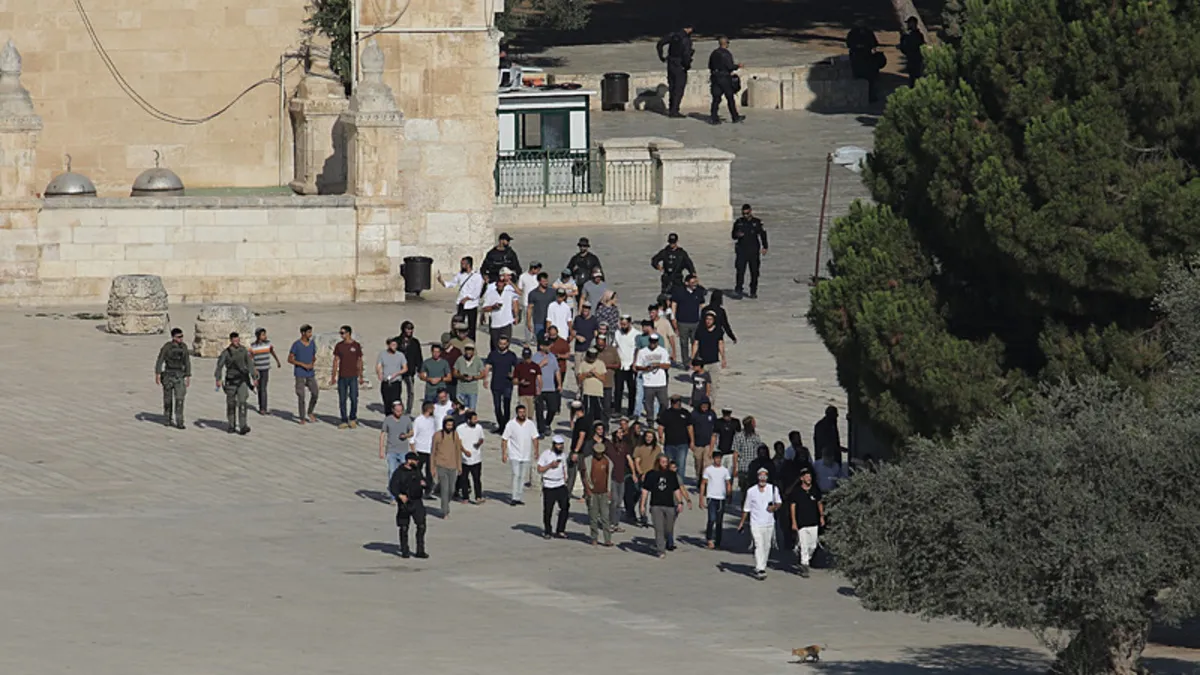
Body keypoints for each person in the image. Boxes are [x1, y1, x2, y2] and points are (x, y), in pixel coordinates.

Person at [640, 454, 690, 557]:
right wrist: (642, 505)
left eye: (665, 462)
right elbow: (645, 491)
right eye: (662, 461)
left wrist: (680, 502)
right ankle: (660, 550)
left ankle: (664, 541)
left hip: (670, 505)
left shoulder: (671, 475)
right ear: (658, 462)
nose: (664, 463)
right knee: (659, 528)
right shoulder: (651, 474)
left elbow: (676, 490)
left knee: (668, 529)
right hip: (656, 505)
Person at [738, 467, 782, 579]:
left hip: (769, 523)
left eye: (764, 476)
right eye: (760, 476)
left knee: (766, 546)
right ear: (757, 477)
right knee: (758, 544)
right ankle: (759, 568)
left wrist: (774, 507)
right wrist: (741, 523)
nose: (762, 478)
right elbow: (746, 508)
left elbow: (779, 503)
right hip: (756, 523)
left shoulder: (773, 489)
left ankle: (762, 565)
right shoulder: (751, 491)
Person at [214, 332, 258, 435]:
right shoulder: (226, 353)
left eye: (238, 340)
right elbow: (219, 366)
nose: (236, 342)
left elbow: (250, 364)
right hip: (231, 381)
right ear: (231, 341)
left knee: (242, 403)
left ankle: (243, 426)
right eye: (234, 341)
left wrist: (254, 377)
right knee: (231, 404)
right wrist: (218, 379)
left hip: (242, 380)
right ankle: (231, 425)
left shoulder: (243, 351)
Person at [388, 452, 429, 559]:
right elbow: (393, 486)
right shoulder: (399, 472)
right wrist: (400, 496)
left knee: (421, 526)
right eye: (415, 460)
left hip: (417, 501)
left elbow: (424, 481)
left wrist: (424, 484)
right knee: (404, 527)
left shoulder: (417, 471)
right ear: (408, 460)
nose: (416, 462)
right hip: (405, 503)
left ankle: (420, 550)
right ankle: (404, 550)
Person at [579, 422, 615, 546]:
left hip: (604, 491)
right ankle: (594, 537)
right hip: (593, 492)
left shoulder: (608, 461)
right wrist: (587, 489)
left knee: (605, 517)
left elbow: (609, 477)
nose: (599, 455)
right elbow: (584, 476)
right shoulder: (588, 460)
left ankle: (607, 539)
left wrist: (609, 490)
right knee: (593, 517)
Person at [501, 404, 540, 505]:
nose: (522, 414)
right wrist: (504, 453)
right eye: (520, 412)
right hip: (514, 454)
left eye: (524, 412)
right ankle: (514, 497)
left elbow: (535, 438)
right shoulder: (511, 424)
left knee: (522, 477)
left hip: (526, 454)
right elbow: (504, 439)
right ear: (517, 413)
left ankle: (519, 496)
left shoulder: (530, 424)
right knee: (516, 475)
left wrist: (536, 451)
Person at [790, 466, 824, 577]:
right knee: (804, 545)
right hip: (801, 523)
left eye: (810, 476)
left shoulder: (815, 490)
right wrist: (794, 522)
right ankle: (804, 564)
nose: (809, 478)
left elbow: (819, 503)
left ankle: (805, 557)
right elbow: (793, 507)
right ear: (801, 478)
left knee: (813, 546)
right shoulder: (797, 492)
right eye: (806, 476)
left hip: (813, 522)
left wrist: (821, 516)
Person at [655, 22, 695, 118]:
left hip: (671, 63)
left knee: (672, 85)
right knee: (678, 87)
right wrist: (687, 65)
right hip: (679, 64)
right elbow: (686, 54)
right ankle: (674, 110)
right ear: (689, 29)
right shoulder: (686, 39)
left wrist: (662, 57)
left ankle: (672, 108)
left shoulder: (673, 35)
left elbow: (660, 44)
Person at [438, 256, 484, 339]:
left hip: (471, 305)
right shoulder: (460, 275)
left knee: (471, 326)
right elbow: (452, 283)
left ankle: (471, 343)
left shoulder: (477, 276)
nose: (461, 265)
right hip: (461, 304)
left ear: (468, 265)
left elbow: (477, 292)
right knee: (459, 324)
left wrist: (467, 298)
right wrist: (442, 281)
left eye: (463, 264)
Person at [154, 327, 191, 429]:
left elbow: (187, 362)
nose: (181, 339)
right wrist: (157, 374)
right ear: (173, 337)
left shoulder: (184, 347)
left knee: (180, 399)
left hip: (179, 376)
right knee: (167, 400)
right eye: (179, 337)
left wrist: (188, 376)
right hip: (168, 375)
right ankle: (167, 419)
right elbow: (160, 359)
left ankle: (180, 421)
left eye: (182, 336)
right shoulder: (167, 347)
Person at [731, 203, 768, 298]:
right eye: (743, 214)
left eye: (747, 213)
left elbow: (763, 235)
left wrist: (765, 247)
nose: (745, 216)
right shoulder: (739, 222)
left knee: (754, 272)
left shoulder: (757, 222)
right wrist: (737, 235)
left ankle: (753, 291)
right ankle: (738, 289)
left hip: (753, 251)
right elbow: (733, 236)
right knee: (740, 271)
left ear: (751, 212)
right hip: (742, 251)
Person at [330, 325, 364, 429]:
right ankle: (344, 419)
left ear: (349, 333)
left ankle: (353, 418)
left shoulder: (356, 345)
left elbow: (359, 361)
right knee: (342, 399)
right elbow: (336, 361)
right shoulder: (339, 346)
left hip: (353, 376)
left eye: (343, 333)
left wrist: (361, 376)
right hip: (342, 376)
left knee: (354, 398)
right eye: (340, 333)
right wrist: (333, 376)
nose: (341, 335)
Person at [380, 400, 414, 504]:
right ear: (393, 410)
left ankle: (403, 493)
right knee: (392, 472)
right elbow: (383, 434)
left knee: (404, 474)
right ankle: (393, 496)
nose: (399, 413)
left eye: (401, 411)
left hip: (403, 450)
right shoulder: (388, 420)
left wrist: (406, 436)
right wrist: (381, 449)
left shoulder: (406, 419)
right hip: (391, 450)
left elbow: (412, 432)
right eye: (397, 411)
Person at [430, 416, 465, 517]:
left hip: (453, 466)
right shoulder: (437, 435)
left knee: (451, 490)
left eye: (451, 425)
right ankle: (445, 511)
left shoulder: (455, 435)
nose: (449, 427)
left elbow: (458, 451)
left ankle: (445, 502)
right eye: (448, 425)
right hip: (441, 466)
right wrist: (432, 467)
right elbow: (433, 452)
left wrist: (459, 466)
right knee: (445, 489)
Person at [537, 435, 570, 538]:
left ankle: (560, 529)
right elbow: (539, 469)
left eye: (561, 444)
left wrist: (565, 478)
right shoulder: (546, 455)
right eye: (558, 444)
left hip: (560, 484)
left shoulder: (563, 455)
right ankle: (547, 530)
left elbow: (564, 467)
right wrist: (550, 466)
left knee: (565, 506)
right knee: (548, 510)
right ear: (553, 445)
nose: (560, 446)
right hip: (549, 485)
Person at [484, 335, 519, 431]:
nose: (502, 345)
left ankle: (505, 427)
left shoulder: (511, 355)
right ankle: (501, 425)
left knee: (507, 406)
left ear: (507, 344)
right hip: (495, 384)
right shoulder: (493, 354)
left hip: (507, 384)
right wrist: (485, 379)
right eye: (500, 343)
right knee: (497, 407)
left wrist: (513, 375)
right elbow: (487, 367)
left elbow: (517, 368)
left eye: (504, 344)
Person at [692, 311, 727, 403]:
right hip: (702, 362)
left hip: (714, 362)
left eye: (710, 319)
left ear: (714, 320)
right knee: (700, 384)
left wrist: (723, 358)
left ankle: (711, 403)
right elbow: (696, 344)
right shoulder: (700, 330)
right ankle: (699, 402)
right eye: (707, 319)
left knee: (713, 384)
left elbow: (721, 344)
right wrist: (693, 358)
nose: (708, 321)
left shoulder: (718, 331)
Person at [707, 36, 744, 125]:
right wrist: (738, 66)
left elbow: (710, 65)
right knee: (730, 98)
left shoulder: (714, 53)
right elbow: (730, 66)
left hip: (715, 77)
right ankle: (735, 117)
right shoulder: (726, 54)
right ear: (726, 43)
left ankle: (714, 117)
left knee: (716, 99)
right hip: (724, 78)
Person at [671, 274, 707, 364]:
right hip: (682, 322)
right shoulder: (679, 292)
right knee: (684, 343)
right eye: (692, 282)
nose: (695, 284)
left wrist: (705, 317)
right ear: (686, 283)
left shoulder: (699, 291)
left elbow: (702, 305)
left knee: (696, 342)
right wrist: (673, 318)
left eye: (696, 282)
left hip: (695, 321)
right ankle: (686, 361)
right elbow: (674, 304)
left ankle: (695, 361)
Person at [287, 324, 319, 425]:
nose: (310, 334)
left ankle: (310, 411)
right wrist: (302, 364)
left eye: (311, 332)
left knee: (315, 392)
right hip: (300, 373)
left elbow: (314, 356)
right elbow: (290, 359)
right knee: (301, 395)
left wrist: (312, 364)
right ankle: (302, 417)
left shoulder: (312, 343)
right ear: (303, 333)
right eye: (309, 332)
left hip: (310, 373)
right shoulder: (296, 344)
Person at [482, 268, 520, 352]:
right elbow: (484, 308)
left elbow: (519, 294)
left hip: (506, 322)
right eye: (499, 284)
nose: (500, 285)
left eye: (502, 284)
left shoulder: (509, 291)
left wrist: (510, 283)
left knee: (505, 345)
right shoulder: (491, 293)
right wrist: (493, 307)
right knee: (496, 346)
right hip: (495, 323)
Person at [700, 450, 732, 549]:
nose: (718, 460)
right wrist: (701, 497)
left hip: (721, 498)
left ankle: (718, 541)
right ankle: (709, 538)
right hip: (711, 497)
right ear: (713, 459)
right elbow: (703, 483)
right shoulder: (708, 470)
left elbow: (728, 483)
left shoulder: (725, 470)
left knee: (719, 521)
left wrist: (729, 495)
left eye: (719, 458)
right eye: (716, 458)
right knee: (711, 519)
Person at [657, 394, 693, 482]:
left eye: (678, 401)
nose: (677, 404)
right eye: (675, 402)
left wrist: (692, 441)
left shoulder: (685, 413)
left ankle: (679, 483)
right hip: (669, 444)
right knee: (668, 464)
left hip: (682, 443)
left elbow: (690, 427)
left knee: (680, 465)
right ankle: (669, 481)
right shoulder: (666, 413)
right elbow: (661, 427)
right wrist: (661, 437)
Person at [452, 410, 485, 503]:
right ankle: (465, 497)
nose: (476, 420)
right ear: (468, 420)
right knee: (464, 479)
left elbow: (482, 438)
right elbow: (458, 442)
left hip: (477, 458)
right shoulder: (460, 428)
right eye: (474, 419)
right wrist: (464, 451)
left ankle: (478, 496)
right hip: (464, 458)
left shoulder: (479, 427)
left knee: (477, 479)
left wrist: (479, 443)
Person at [846, 21, 883, 102]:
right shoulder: (854, 33)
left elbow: (874, 44)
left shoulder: (867, 33)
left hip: (866, 58)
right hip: (858, 58)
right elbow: (849, 44)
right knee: (861, 78)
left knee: (869, 78)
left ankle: (870, 97)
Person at [636, 334, 671, 420]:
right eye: (651, 342)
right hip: (648, 382)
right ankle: (650, 420)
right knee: (649, 404)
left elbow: (667, 365)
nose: (653, 344)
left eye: (654, 342)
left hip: (661, 382)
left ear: (657, 342)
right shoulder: (642, 352)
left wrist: (658, 365)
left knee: (664, 403)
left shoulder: (663, 351)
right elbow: (638, 366)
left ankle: (660, 416)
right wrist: (646, 368)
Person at [532, 337, 562, 435]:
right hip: (539, 388)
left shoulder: (552, 356)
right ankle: (541, 430)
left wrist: (559, 384)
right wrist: (541, 364)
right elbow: (531, 371)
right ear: (541, 346)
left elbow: (557, 371)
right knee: (539, 410)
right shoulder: (535, 357)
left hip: (551, 387)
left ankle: (547, 424)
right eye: (547, 345)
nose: (550, 346)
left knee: (553, 408)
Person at [731, 416, 763, 506]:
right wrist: (735, 468)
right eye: (753, 423)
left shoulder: (756, 436)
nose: (755, 425)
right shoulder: (739, 436)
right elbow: (735, 453)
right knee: (744, 490)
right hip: (743, 467)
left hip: (755, 468)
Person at [607, 421, 634, 530]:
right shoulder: (609, 445)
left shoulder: (624, 445)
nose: (621, 434)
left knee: (619, 502)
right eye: (619, 432)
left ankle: (616, 523)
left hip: (621, 476)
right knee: (614, 500)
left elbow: (629, 459)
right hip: (612, 476)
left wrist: (634, 473)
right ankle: (610, 522)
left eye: (622, 433)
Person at [249, 328, 281, 415]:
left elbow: (272, 352)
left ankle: (263, 408)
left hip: (265, 369)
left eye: (265, 334)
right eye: (263, 335)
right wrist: (252, 368)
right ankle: (261, 406)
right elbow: (250, 358)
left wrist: (277, 361)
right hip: (257, 370)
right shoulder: (253, 346)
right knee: (260, 388)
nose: (265, 336)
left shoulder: (268, 344)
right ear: (258, 336)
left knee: (263, 388)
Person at [631, 429, 659, 526]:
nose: (648, 439)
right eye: (647, 436)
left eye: (650, 437)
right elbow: (636, 462)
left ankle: (655, 516)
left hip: (655, 475)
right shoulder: (639, 448)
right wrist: (641, 473)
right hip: (643, 475)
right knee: (643, 496)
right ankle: (642, 515)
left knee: (655, 498)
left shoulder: (657, 449)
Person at [411, 401, 439, 499]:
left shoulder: (433, 420)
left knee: (430, 471)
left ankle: (428, 491)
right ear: (428, 409)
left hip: (430, 449)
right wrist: (413, 447)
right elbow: (413, 434)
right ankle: (420, 484)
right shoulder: (418, 420)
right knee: (417, 469)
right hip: (420, 449)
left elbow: (435, 433)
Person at [613, 315, 638, 417]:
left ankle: (631, 411)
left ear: (629, 323)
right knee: (618, 389)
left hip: (631, 365)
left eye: (625, 324)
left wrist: (635, 363)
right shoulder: (617, 332)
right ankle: (617, 410)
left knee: (632, 389)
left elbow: (638, 350)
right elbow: (615, 346)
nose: (623, 326)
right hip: (620, 365)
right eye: (621, 324)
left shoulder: (636, 334)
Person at [376, 336, 409, 413]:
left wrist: (397, 373)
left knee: (396, 402)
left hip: (396, 382)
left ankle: (397, 419)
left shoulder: (400, 355)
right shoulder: (382, 354)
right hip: (385, 382)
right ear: (388, 345)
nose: (395, 347)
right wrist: (379, 373)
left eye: (396, 345)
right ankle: (389, 420)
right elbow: (379, 365)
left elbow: (405, 368)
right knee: (387, 403)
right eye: (393, 345)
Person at [576, 346, 607, 422]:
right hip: (587, 392)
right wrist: (587, 374)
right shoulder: (583, 364)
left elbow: (604, 378)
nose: (591, 359)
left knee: (599, 412)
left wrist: (595, 374)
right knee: (588, 412)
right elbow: (579, 378)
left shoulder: (601, 364)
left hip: (598, 392)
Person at [398, 321, 423, 414]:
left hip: (410, 370)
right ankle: (400, 408)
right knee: (397, 391)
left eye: (411, 329)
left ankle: (408, 411)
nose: (410, 331)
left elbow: (418, 356)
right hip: (398, 371)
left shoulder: (415, 342)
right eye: (408, 328)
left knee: (411, 392)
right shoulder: (397, 341)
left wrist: (420, 369)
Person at [691, 397, 717, 480]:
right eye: (703, 405)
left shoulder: (711, 414)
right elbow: (690, 427)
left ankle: (705, 482)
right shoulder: (694, 414)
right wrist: (691, 441)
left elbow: (715, 429)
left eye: (706, 405)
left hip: (708, 443)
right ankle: (698, 478)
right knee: (698, 463)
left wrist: (712, 445)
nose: (705, 407)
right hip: (697, 443)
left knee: (707, 464)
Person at [525, 271, 555, 346]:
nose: (546, 282)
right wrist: (528, 322)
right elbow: (529, 308)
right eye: (544, 281)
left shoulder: (552, 292)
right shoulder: (533, 294)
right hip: (538, 321)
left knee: (551, 342)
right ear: (539, 281)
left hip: (551, 320)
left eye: (547, 280)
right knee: (540, 342)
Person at [453, 342, 484, 412]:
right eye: (467, 349)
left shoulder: (478, 360)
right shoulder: (460, 359)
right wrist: (462, 376)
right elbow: (454, 373)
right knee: (459, 411)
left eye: (470, 350)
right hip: (461, 390)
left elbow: (483, 374)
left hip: (472, 390)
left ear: (473, 351)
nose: (468, 352)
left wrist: (473, 377)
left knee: (471, 411)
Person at [595, 334, 620, 418]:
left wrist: (607, 366)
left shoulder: (612, 350)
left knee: (607, 405)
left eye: (602, 345)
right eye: (599, 345)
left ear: (605, 342)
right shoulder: (592, 350)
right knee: (596, 405)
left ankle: (605, 424)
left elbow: (618, 365)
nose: (600, 347)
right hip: (595, 382)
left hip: (608, 382)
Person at [513, 346, 542, 416]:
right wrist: (520, 382)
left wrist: (539, 390)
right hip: (522, 394)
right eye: (525, 357)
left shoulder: (535, 366)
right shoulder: (518, 366)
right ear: (522, 356)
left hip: (532, 394)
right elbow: (514, 381)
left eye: (528, 357)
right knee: (522, 414)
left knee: (530, 415)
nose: (527, 359)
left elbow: (539, 379)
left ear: (531, 356)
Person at [899, 16, 925, 87]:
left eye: (909, 23)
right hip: (914, 59)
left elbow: (905, 48)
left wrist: (903, 39)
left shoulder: (913, 36)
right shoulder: (918, 35)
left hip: (914, 60)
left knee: (914, 78)